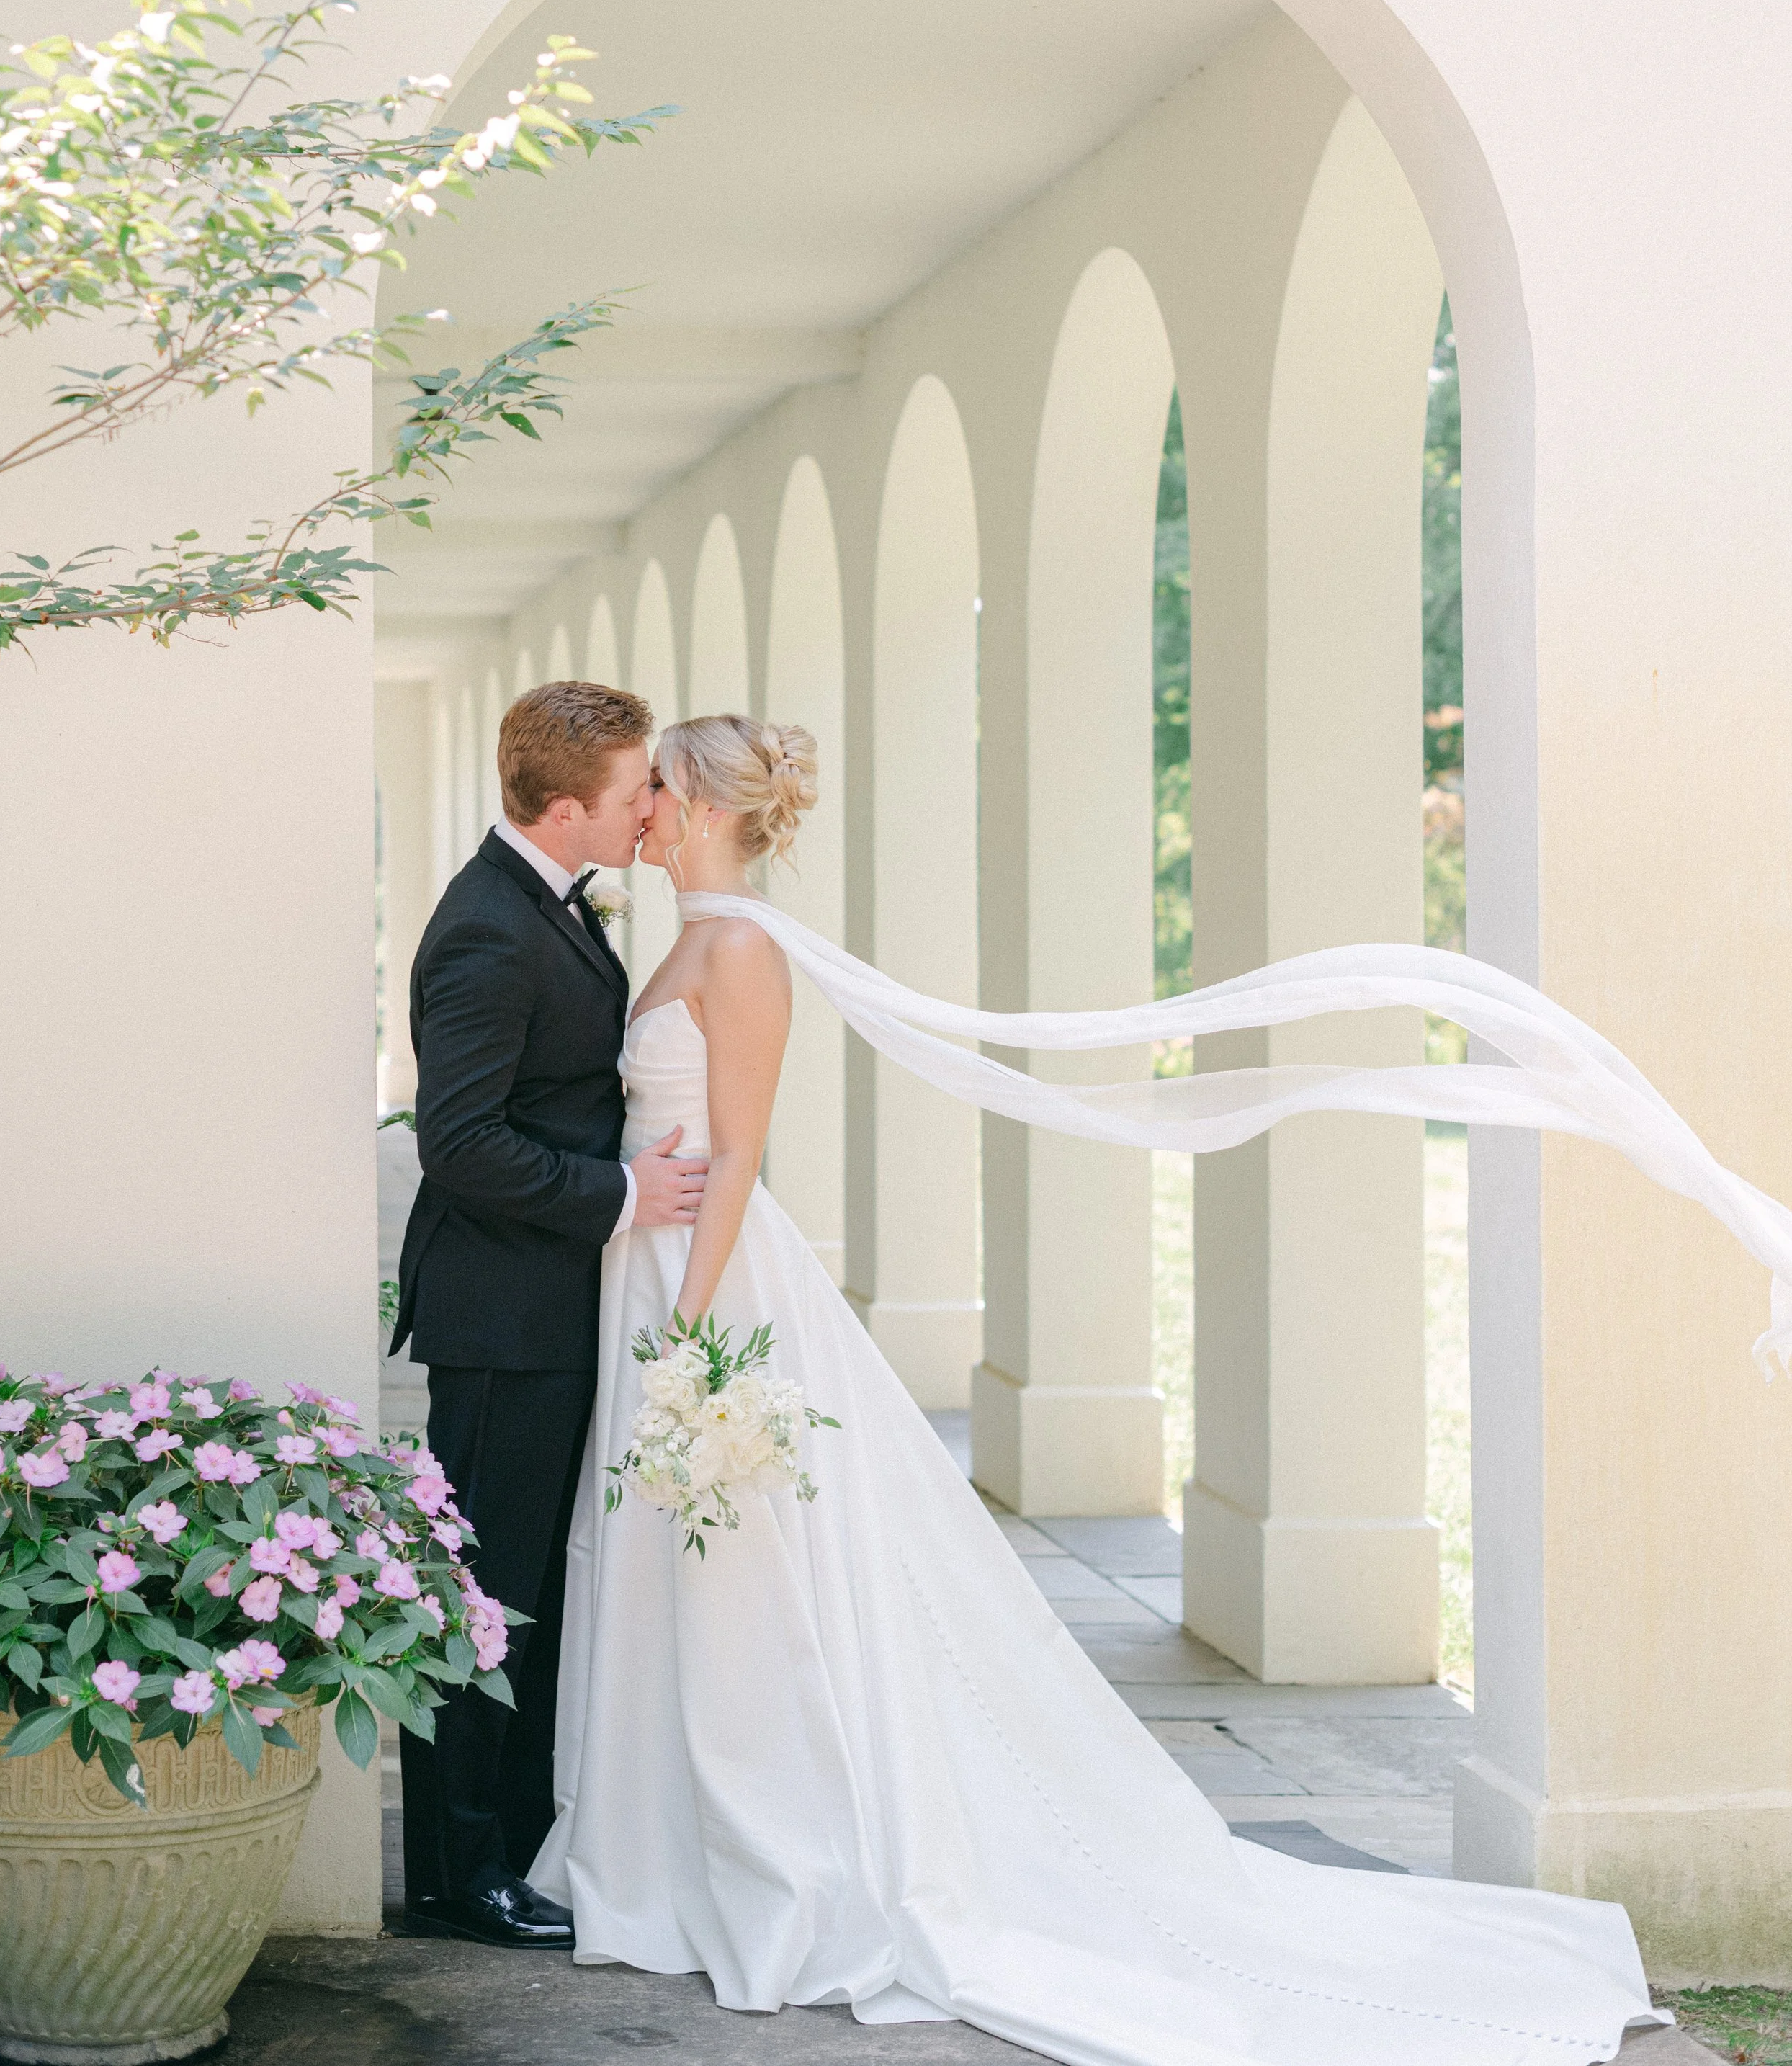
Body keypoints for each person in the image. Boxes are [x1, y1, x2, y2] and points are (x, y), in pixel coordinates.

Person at [531, 712, 1676, 2066]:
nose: (639, 806)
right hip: (649, 1274)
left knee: (757, 1578)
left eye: (655, 785)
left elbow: (739, 1159)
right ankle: (669, 1846)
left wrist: (695, 1339)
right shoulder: (681, 936)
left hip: (706, 1291)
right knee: (696, 1573)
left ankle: (778, 1849)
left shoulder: (745, 952)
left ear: (705, 803)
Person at [392, 681, 709, 1949]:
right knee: (485, 1595)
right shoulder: (486, 930)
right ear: (571, 806)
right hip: (502, 1322)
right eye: (640, 791)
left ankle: (512, 1847)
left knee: (526, 1590)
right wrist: (626, 1192)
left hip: (547, 1309)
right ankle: (462, 1879)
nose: (655, 808)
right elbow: (459, 1144)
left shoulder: (545, 900)